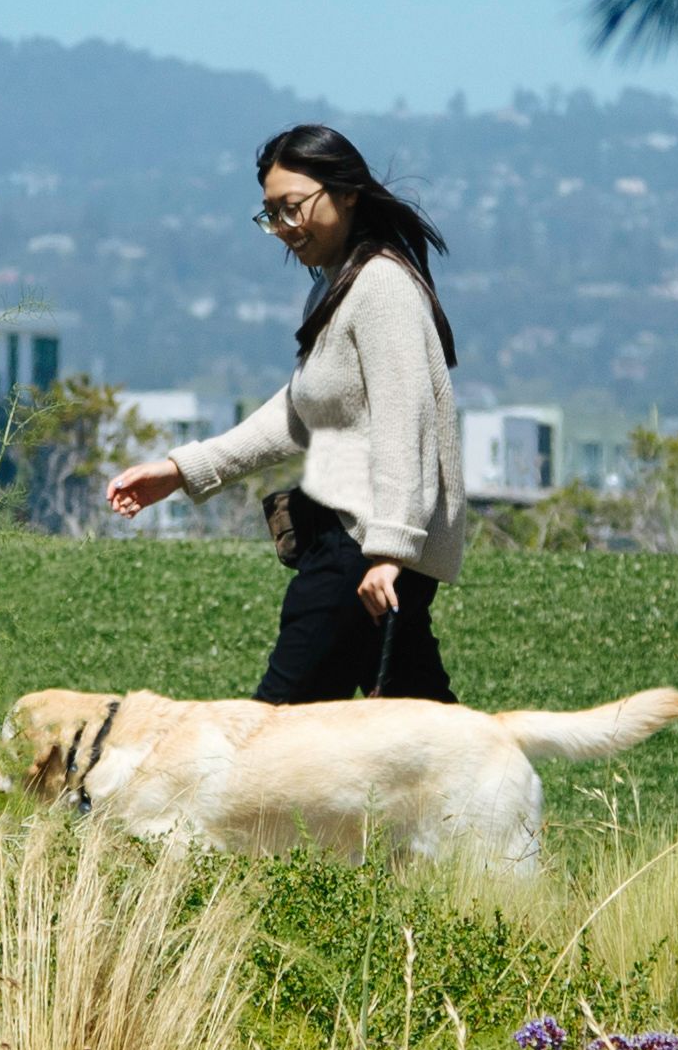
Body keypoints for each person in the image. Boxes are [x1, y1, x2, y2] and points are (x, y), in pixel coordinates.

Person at [104, 124, 467, 702]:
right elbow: (301, 411)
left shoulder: (380, 287)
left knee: (276, 727)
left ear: (347, 193)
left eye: (292, 209)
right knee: (419, 725)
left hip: (361, 548)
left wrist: (390, 552)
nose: (283, 230)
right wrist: (180, 471)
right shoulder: (336, 287)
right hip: (362, 545)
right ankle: (494, 790)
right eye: (271, 215)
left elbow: (407, 419)